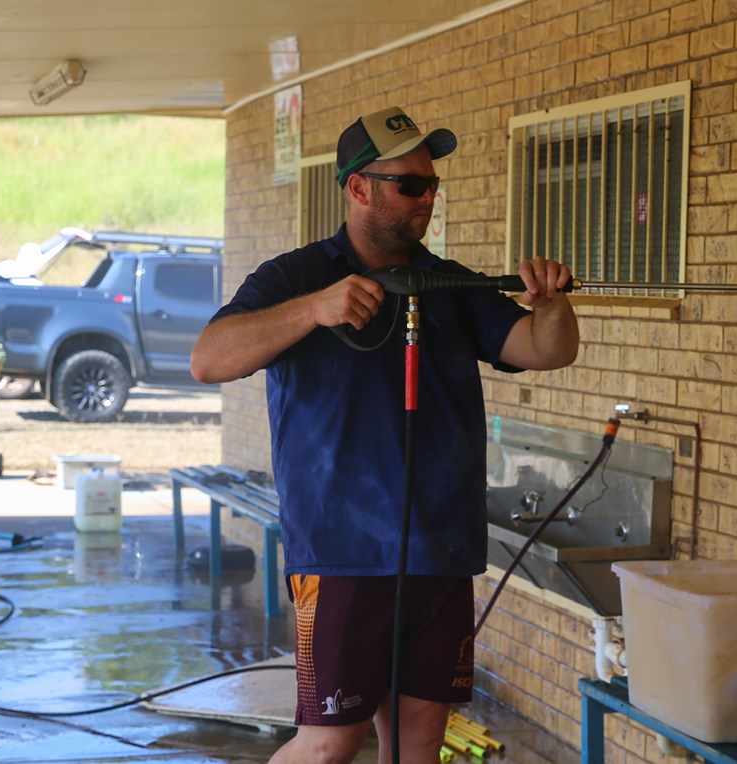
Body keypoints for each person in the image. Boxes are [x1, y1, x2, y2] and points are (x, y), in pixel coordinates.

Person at [190, 106, 579, 764]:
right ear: (359, 188)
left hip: (440, 549)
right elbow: (208, 359)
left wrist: (552, 304)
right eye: (411, 185)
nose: (427, 199)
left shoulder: (449, 283)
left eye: (432, 185)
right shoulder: (294, 276)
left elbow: (547, 349)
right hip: (340, 553)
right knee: (328, 743)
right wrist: (314, 309)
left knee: (419, 743)